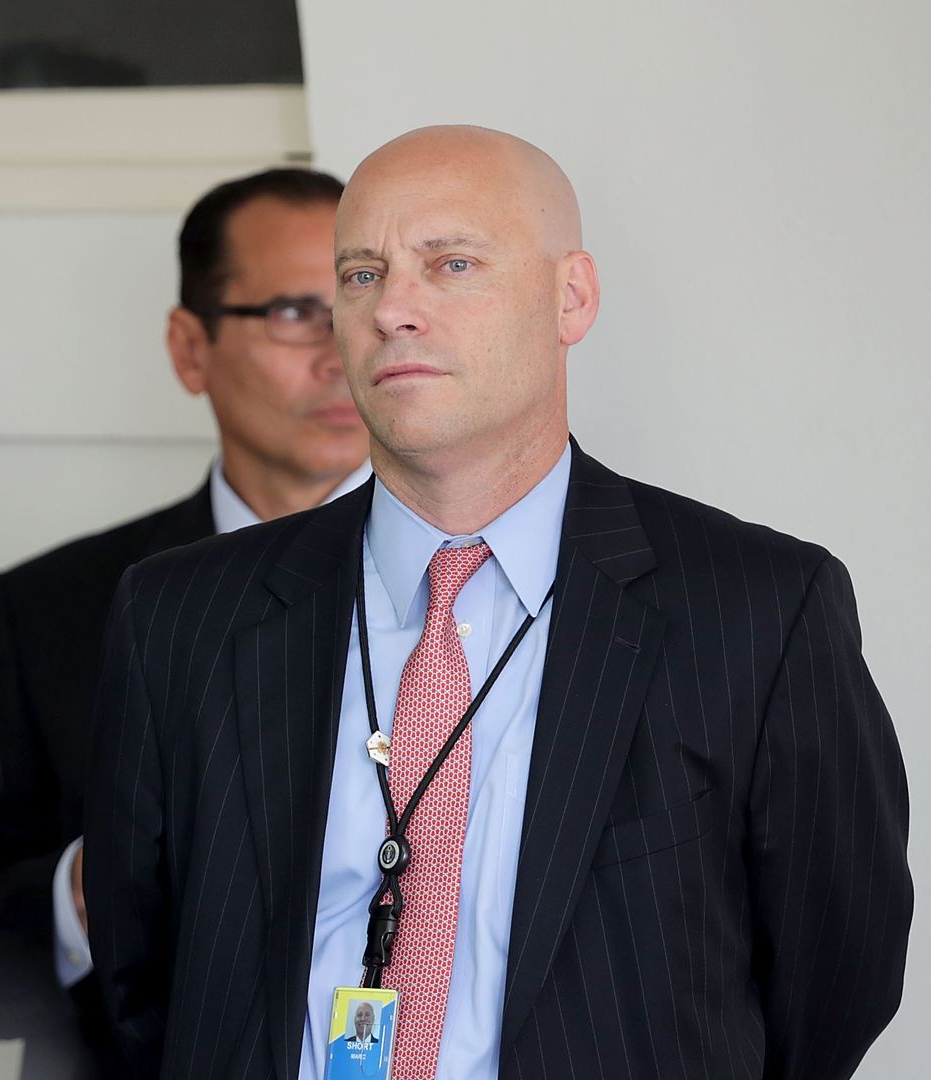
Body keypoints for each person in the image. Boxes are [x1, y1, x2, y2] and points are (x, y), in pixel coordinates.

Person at [84, 126, 909, 1079]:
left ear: (572, 297)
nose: (394, 306)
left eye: (453, 264)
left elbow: (834, 978)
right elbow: (141, 979)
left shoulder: (760, 611)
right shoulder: (180, 614)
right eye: (361, 275)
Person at [0, 167, 369, 1078]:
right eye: (293, 311)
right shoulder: (51, 611)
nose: (340, 352)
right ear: (189, 347)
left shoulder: (483, 584)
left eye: (361, 300)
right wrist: (91, 888)